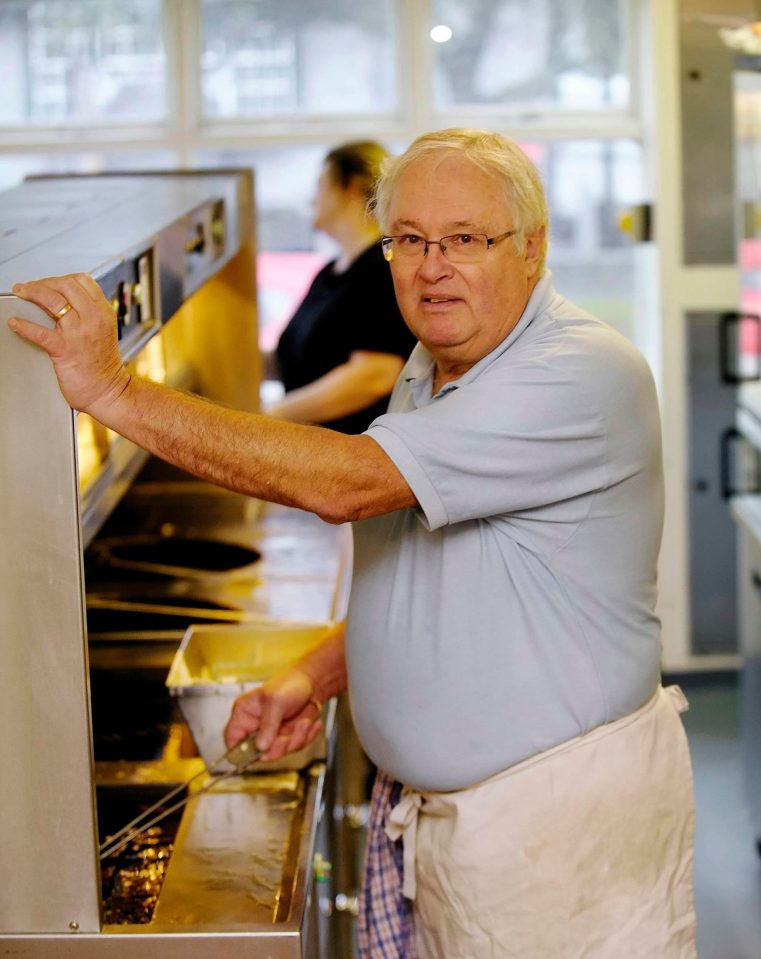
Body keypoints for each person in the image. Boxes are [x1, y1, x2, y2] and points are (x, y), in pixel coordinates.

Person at [9, 128, 697, 959]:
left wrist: (113, 390)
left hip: (555, 828)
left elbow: (346, 483)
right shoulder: (437, 361)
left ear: (531, 247)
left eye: (464, 240)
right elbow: (435, 577)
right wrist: (320, 675)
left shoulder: (578, 371)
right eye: (407, 239)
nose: (430, 266)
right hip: (468, 825)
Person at [264, 140, 416, 433]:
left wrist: (270, 415)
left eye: (321, 185)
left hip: (353, 453)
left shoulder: (382, 269)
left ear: (351, 189)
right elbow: (298, 355)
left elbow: (374, 375)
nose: (313, 199)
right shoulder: (329, 273)